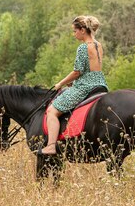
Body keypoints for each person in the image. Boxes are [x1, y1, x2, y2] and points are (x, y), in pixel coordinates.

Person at [39, 15, 109, 155]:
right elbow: (90, 69)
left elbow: (77, 72)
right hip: (100, 84)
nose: (74, 34)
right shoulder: (98, 45)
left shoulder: (83, 47)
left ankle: (51, 146)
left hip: (85, 86)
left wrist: (60, 83)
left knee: (52, 111)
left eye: (75, 31)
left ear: (83, 30)